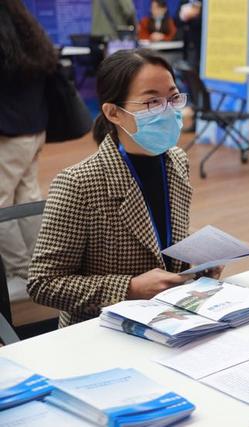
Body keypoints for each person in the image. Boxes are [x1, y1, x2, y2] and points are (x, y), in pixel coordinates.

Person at [28, 49, 221, 328]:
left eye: (173, 97)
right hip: (103, 328)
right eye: (152, 102)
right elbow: (43, 283)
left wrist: (199, 261)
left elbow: (160, 238)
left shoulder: (176, 160)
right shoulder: (79, 183)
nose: (167, 110)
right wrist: (128, 288)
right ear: (114, 112)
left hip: (171, 317)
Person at [0, 0, 57, 286]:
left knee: (2, 202)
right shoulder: (29, 33)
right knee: (28, 196)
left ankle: (19, 268)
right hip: (34, 130)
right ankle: (37, 262)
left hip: (9, 136)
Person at [176, 0, 203, 69]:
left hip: (199, 42)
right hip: (186, 42)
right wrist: (185, 18)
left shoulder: (204, 2)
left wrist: (194, 16)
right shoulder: (183, 2)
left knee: (197, 67)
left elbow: (204, 20)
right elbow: (177, 21)